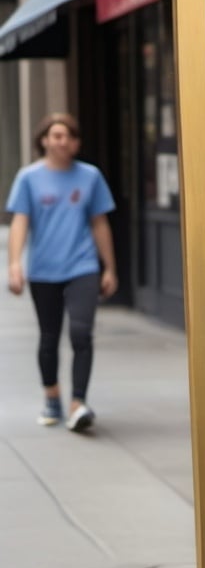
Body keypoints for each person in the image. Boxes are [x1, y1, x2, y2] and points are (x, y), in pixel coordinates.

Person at [6, 112, 118, 431]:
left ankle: (78, 403)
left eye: (68, 135)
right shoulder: (28, 178)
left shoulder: (90, 176)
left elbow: (99, 223)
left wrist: (109, 267)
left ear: (76, 143)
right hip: (43, 270)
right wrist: (15, 264)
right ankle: (52, 395)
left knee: (81, 333)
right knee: (48, 338)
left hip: (82, 265)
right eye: (56, 135)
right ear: (43, 140)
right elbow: (20, 223)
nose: (62, 140)